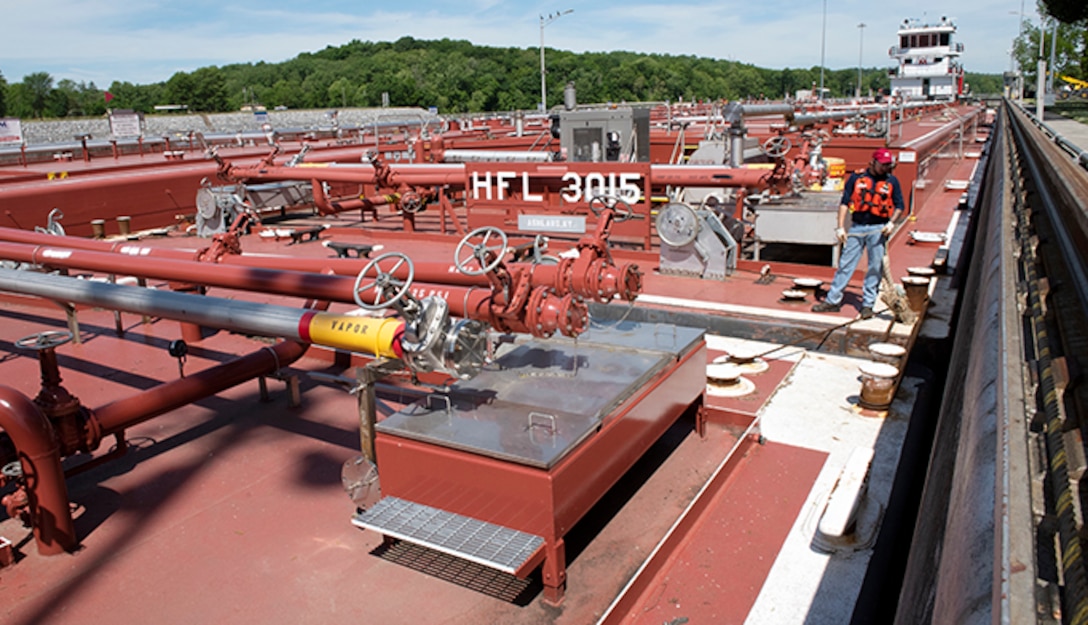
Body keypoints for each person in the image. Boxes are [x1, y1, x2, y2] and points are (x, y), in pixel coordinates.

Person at [812, 147, 904, 318]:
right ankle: (833, 300)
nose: (885, 168)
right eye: (883, 165)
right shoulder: (856, 178)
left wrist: (891, 223)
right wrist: (840, 227)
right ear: (873, 162)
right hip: (857, 227)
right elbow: (845, 202)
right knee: (846, 265)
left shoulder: (892, 182)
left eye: (888, 165)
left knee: (875, 267)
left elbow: (900, 206)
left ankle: (868, 304)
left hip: (878, 229)